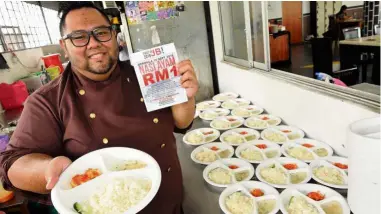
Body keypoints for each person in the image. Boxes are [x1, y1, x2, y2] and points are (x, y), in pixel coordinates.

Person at [0, 2, 198, 214]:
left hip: (170, 203)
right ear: (64, 46)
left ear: (114, 37)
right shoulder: (47, 100)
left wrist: (185, 98)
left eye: (101, 32)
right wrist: (48, 170)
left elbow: (181, 123)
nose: (93, 43)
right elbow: (12, 165)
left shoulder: (145, 75)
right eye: (78, 36)